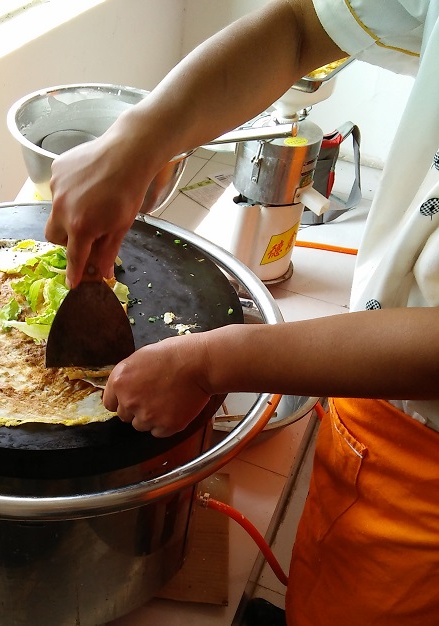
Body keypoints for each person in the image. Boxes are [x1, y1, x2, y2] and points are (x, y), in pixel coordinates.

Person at [46, 1, 439, 624]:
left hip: (430, 473)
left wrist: (209, 362)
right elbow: (298, 29)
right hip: (374, 393)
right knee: (328, 584)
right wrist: (140, 135)